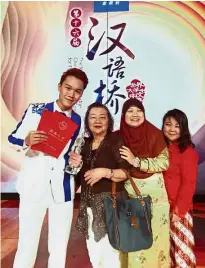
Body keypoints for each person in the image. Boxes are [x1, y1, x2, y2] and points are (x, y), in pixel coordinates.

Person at [8, 68, 89, 268]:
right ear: (59, 87)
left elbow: (72, 154)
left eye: (77, 91)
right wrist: (26, 140)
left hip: (62, 190)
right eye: (68, 88)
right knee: (27, 244)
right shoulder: (36, 110)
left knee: (59, 247)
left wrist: (75, 162)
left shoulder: (78, 121)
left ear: (81, 94)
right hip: (33, 187)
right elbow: (12, 139)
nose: (71, 94)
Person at [72, 102, 130, 268]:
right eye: (93, 117)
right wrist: (75, 166)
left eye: (102, 117)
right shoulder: (84, 144)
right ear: (87, 121)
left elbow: (126, 173)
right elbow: (79, 177)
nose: (97, 121)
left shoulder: (116, 141)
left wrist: (105, 172)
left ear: (109, 121)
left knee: (112, 254)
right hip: (89, 206)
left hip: (111, 206)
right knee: (94, 252)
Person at [117, 98, 170, 268]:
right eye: (130, 111)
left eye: (139, 111)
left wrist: (137, 161)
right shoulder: (117, 137)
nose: (135, 114)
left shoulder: (154, 134)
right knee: (134, 242)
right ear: (123, 115)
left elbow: (164, 163)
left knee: (155, 242)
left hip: (156, 200)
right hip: (130, 196)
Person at [162, 109, 198, 268]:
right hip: (161, 207)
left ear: (183, 129)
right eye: (168, 124)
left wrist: (179, 211)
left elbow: (189, 183)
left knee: (182, 253)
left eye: (177, 126)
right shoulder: (160, 149)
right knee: (167, 250)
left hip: (178, 210)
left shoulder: (188, 151)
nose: (171, 129)